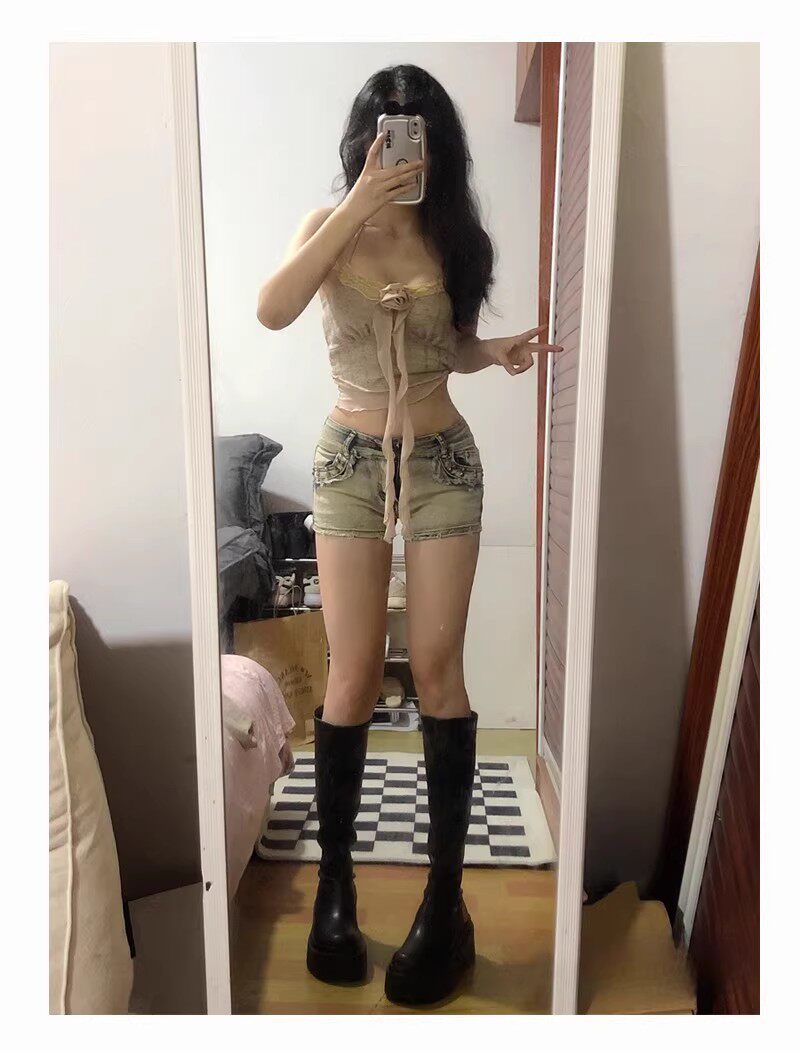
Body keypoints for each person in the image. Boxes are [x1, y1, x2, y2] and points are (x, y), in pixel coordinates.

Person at [257, 64, 560, 1006]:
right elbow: (273, 309)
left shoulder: (455, 236)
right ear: (363, 139)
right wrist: (357, 205)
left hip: (443, 461)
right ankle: (335, 891)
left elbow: (449, 347)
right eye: (387, 131)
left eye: (417, 132)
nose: (402, 148)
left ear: (439, 144)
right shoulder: (330, 223)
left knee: (436, 669)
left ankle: (444, 903)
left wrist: (492, 352)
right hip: (350, 461)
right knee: (351, 673)